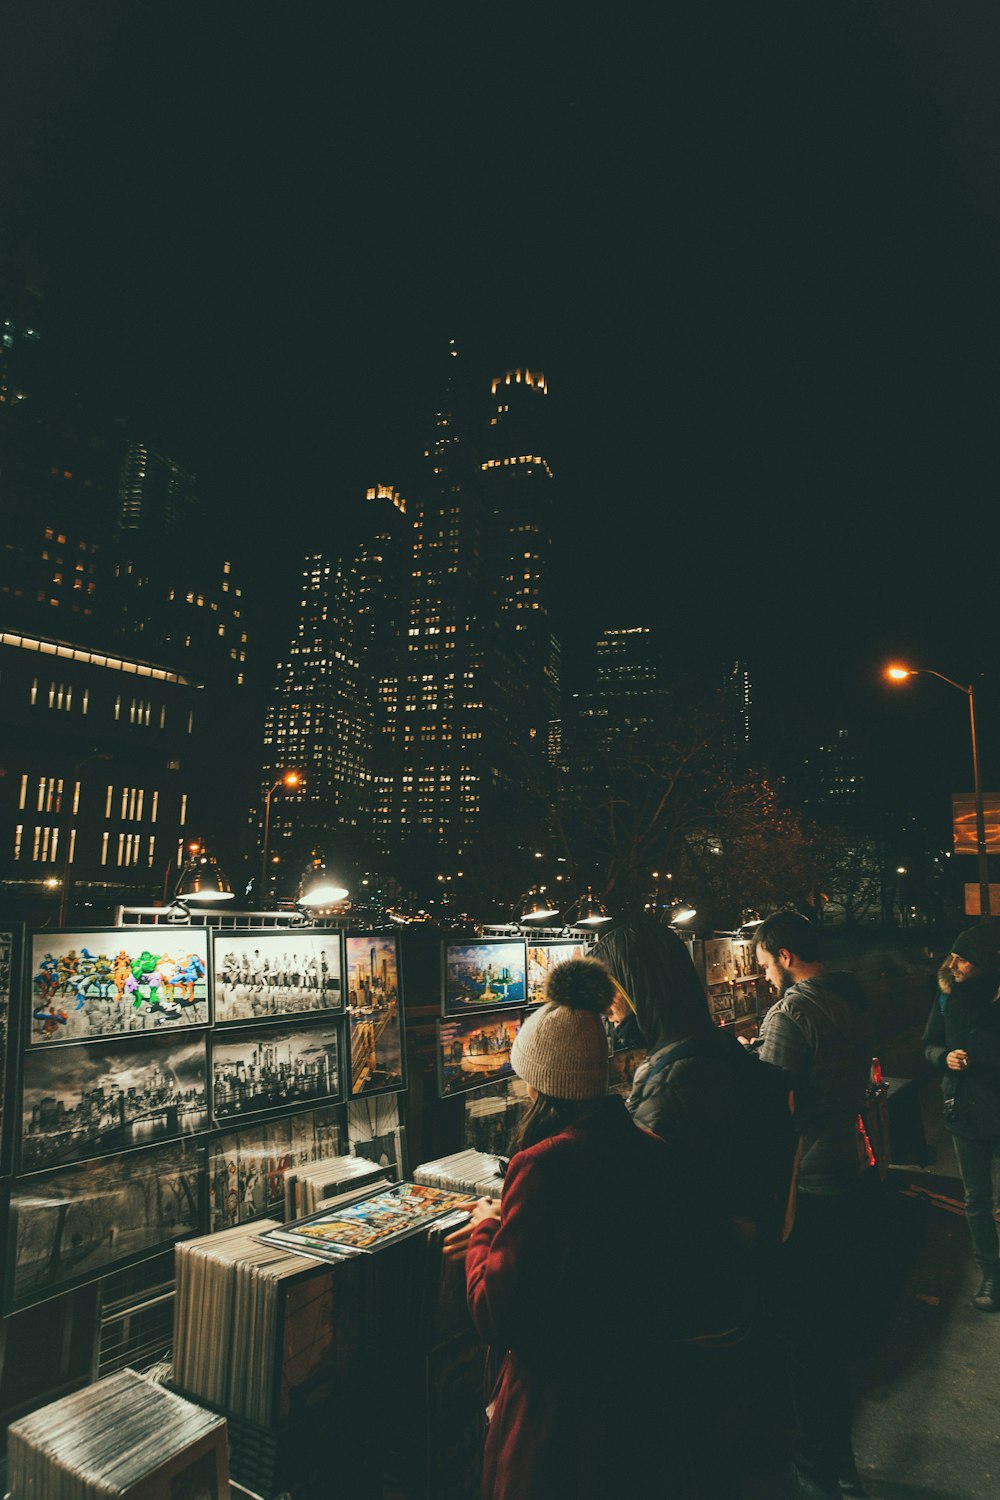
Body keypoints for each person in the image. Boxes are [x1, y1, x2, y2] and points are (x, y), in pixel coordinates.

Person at [444, 956, 706, 1500]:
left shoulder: (542, 1166)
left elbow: (497, 1310)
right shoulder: (651, 1150)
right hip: (643, 1402)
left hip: (557, 1421)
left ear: (541, 1083)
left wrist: (484, 1229)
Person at [754, 910, 879, 1500]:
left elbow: (770, 1107)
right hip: (848, 1166)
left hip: (804, 1184)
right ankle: (842, 1458)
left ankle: (814, 1461)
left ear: (783, 954)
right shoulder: (850, 1000)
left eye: (761, 958)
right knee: (832, 1323)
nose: (760, 970)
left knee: (804, 1332)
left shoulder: (793, 1011)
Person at [923, 923, 1000, 1312]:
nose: (953, 963)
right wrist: (945, 1057)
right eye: (953, 955)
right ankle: (992, 1275)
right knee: (976, 1200)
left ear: (985, 964)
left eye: (964, 958)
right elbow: (928, 1045)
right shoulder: (946, 997)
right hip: (964, 1112)